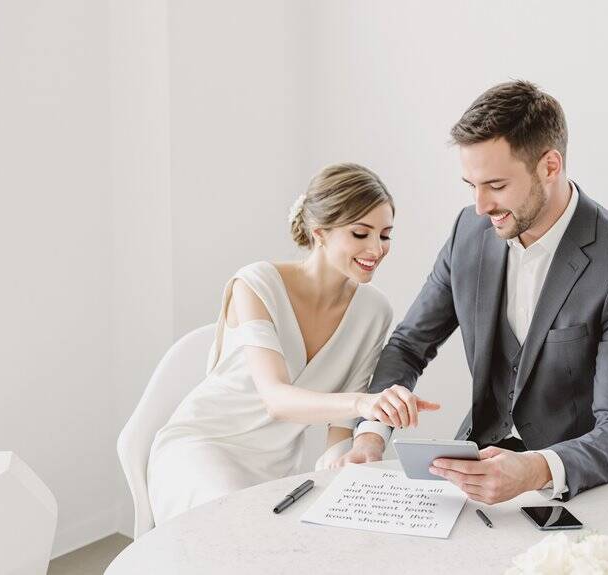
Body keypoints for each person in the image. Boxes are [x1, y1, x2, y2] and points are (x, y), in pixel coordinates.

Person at [337, 80, 608, 504]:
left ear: (550, 167)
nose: (480, 206)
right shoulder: (469, 233)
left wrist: (535, 468)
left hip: (598, 487)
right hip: (482, 466)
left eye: (496, 186)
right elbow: (409, 345)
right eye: (471, 186)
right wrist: (372, 433)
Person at [147, 163, 440, 524]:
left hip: (276, 468)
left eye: (385, 235)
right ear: (320, 232)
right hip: (202, 447)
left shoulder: (374, 309)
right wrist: (367, 403)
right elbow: (276, 399)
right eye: (361, 234)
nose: (376, 249)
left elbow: (343, 416)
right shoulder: (257, 284)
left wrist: (339, 457)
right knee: (238, 530)